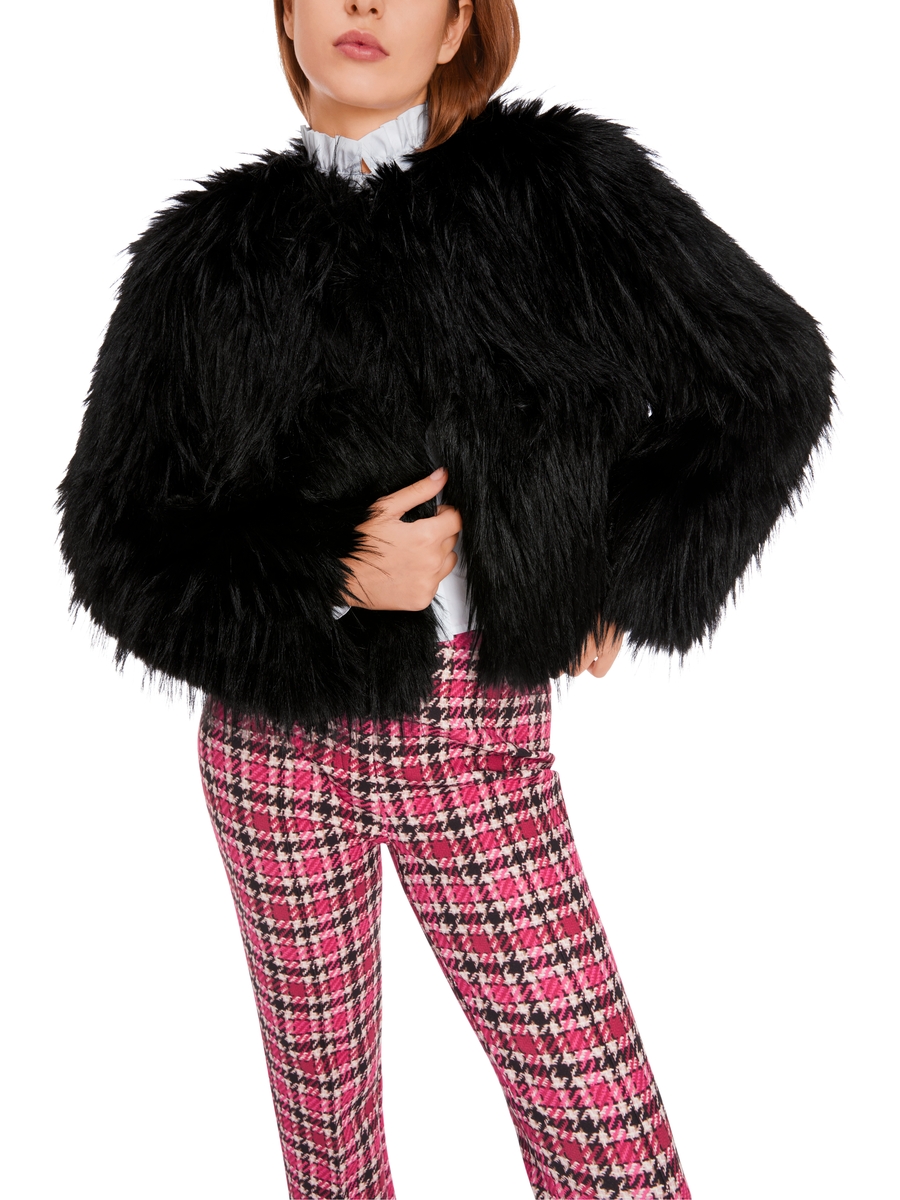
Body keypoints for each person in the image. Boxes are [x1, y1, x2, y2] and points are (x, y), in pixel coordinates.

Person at [56, 0, 835, 1196]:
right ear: (287, 16)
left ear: (461, 20)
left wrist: (622, 568)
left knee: (608, 1143)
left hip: (472, 736)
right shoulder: (204, 256)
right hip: (272, 744)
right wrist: (331, 572)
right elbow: (113, 537)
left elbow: (770, 375)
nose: (364, 5)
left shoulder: (561, 191)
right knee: (327, 1147)